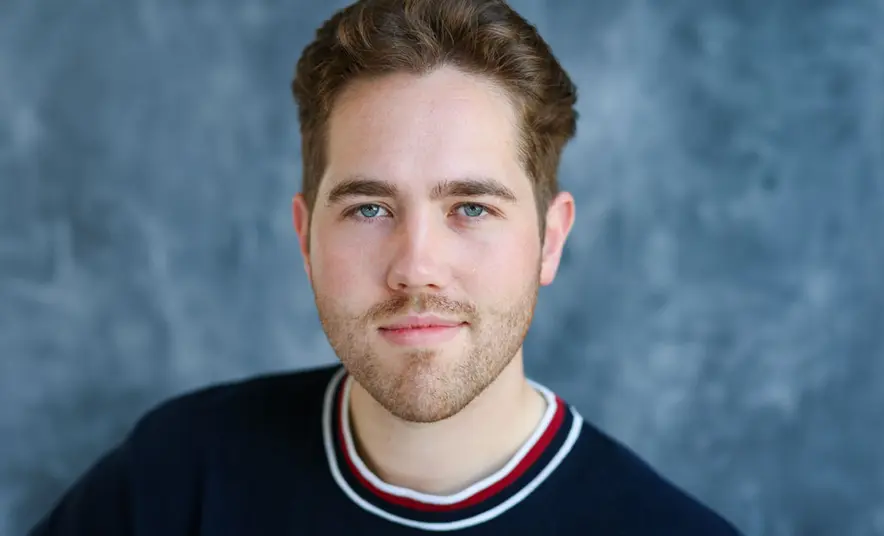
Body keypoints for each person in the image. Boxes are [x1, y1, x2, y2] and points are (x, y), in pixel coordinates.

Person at [30, 0, 744, 534]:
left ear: (550, 241)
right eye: (369, 208)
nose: (416, 267)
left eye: (470, 207)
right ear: (306, 237)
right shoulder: (175, 477)